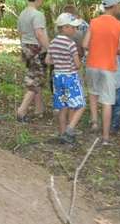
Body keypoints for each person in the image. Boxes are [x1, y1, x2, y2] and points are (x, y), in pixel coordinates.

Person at [83, 0, 120, 145]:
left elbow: (84, 44)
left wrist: (97, 47)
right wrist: (110, 48)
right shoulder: (119, 25)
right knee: (107, 101)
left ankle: (95, 122)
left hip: (92, 65)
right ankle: (105, 137)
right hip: (108, 67)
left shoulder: (94, 22)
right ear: (115, 5)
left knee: (93, 93)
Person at [46, 12, 85, 144]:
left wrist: (59, 61)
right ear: (64, 28)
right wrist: (77, 62)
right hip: (70, 78)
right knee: (80, 105)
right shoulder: (71, 44)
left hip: (57, 78)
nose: (75, 29)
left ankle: (63, 135)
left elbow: (48, 61)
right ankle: (70, 128)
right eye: (72, 27)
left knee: (63, 107)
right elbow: (78, 65)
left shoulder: (52, 43)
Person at [16, 0, 50, 122]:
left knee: (35, 77)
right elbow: (39, 33)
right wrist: (49, 49)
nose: (42, 1)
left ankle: (39, 109)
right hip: (36, 49)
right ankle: (21, 110)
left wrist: (24, 47)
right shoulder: (37, 14)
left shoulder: (22, 14)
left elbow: (20, 33)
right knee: (35, 80)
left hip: (26, 47)